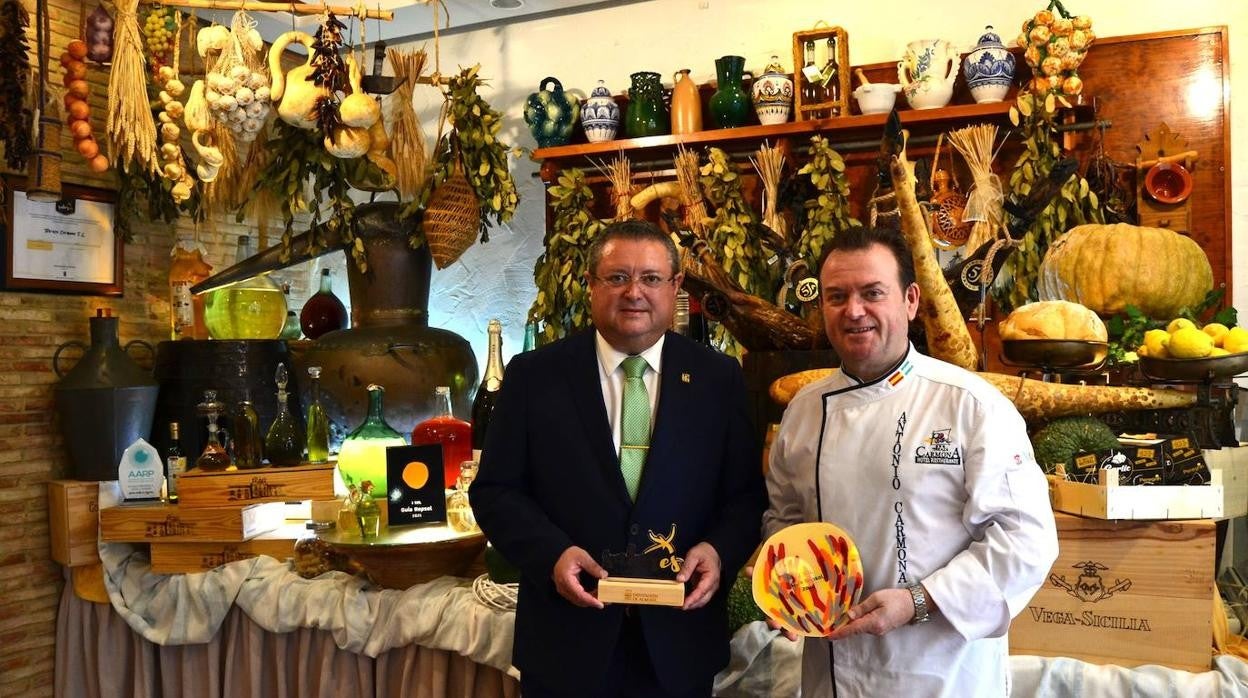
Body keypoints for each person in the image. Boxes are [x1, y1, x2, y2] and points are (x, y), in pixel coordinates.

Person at [471, 219, 766, 698]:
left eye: (651, 278)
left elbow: (745, 498)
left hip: (679, 642)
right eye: (617, 277)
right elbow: (495, 491)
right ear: (591, 286)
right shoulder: (534, 377)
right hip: (567, 641)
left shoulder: (718, 378)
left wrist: (718, 551)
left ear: (674, 288)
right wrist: (552, 555)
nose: (635, 292)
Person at [764, 226, 1058, 697]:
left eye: (872, 293)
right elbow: (785, 519)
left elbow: (1026, 541)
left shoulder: (971, 405)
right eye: (836, 296)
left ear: (911, 301)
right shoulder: (802, 410)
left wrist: (919, 601)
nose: (854, 310)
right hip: (830, 673)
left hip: (937, 670)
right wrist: (785, 589)